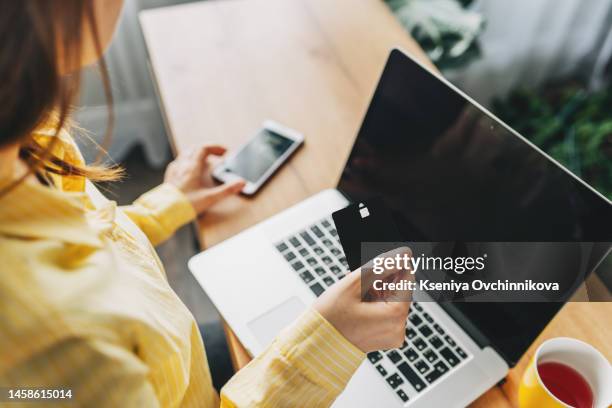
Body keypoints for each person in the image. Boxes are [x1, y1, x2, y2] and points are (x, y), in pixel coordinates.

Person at [0, 1, 411, 407]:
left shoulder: (24, 133)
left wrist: (171, 202)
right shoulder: (64, 343)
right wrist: (329, 344)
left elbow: (81, 240)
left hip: (180, 364)